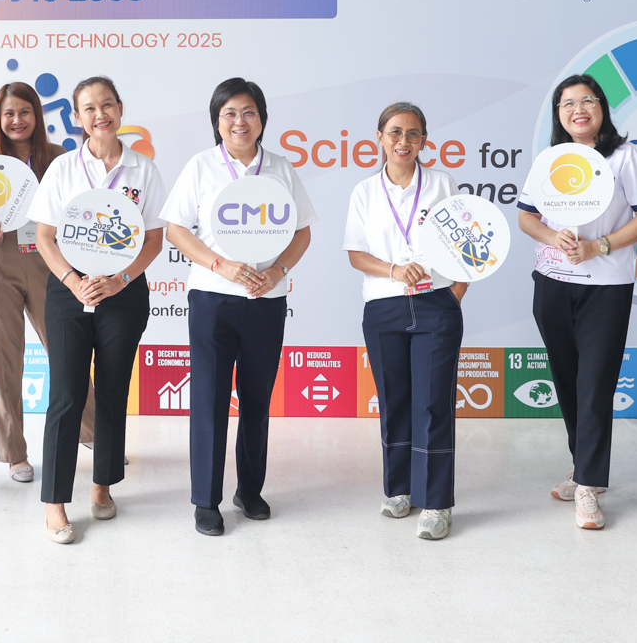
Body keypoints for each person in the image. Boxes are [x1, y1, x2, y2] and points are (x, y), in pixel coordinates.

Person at [161, 78, 317, 536]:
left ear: (262, 119)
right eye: (229, 113)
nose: (239, 121)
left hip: (266, 299)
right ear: (217, 121)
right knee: (209, 399)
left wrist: (278, 270)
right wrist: (220, 265)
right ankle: (205, 500)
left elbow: (303, 231)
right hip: (213, 298)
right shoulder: (201, 166)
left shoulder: (281, 169)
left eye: (248, 112)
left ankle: (249, 490)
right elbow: (175, 229)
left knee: (256, 399)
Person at [516, 75, 637, 530]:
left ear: (602, 108)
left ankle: (589, 486)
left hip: (606, 286)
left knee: (595, 383)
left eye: (587, 101)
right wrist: (552, 237)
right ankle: (584, 469)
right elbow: (526, 218)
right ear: (558, 114)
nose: (578, 110)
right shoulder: (550, 159)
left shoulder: (625, 156)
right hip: (552, 284)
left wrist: (600, 246)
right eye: (568, 104)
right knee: (567, 380)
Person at [26, 76, 166, 544]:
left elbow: (153, 239)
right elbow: (44, 236)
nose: (99, 114)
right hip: (69, 291)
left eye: (107, 104)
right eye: (88, 108)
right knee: (66, 395)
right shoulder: (63, 168)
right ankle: (55, 502)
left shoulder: (143, 170)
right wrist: (73, 281)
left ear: (120, 109)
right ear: (76, 117)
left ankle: (102, 485)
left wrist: (120, 279)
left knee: (111, 390)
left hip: (123, 292)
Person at [343, 102, 467, 541]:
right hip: (383, 307)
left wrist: (452, 294)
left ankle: (436, 503)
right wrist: (394, 270)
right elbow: (356, 254)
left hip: (435, 305)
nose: (403, 141)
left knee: (432, 404)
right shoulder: (364, 191)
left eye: (413, 133)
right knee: (394, 401)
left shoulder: (441, 184)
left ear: (424, 141)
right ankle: (400, 489)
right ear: (379, 137)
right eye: (395, 132)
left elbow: (466, 244)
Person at [0, 82, 95, 484]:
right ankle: (14, 453)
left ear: (37, 115)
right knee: (3, 361)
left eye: (24, 112)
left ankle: (94, 432)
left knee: (69, 353)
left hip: (50, 264)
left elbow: (80, 212)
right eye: (8, 113)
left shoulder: (59, 159)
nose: (17, 120)